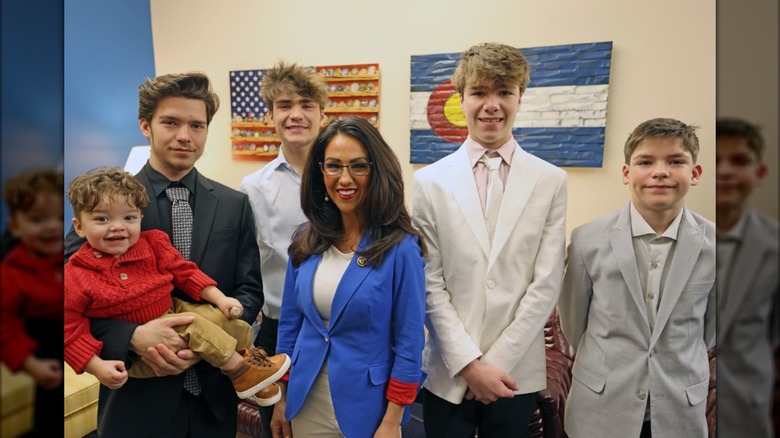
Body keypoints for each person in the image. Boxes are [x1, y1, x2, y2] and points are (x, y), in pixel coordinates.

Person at [63, 72, 263, 438]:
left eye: (196, 125)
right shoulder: (108, 206)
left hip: (214, 400)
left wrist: (211, 340)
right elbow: (64, 297)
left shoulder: (235, 204)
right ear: (145, 126)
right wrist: (132, 336)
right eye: (170, 122)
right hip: (137, 398)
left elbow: (249, 289)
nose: (184, 136)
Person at [411, 42, 568, 437]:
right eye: (479, 92)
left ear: (520, 98)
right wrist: (468, 365)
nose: (491, 105)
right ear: (461, 99)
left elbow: (546, 281)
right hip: (449, 369)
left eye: (504, 93)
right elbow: (429, 281)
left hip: (514, 372)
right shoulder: (429, 182)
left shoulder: (550, 180)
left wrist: (494, 365)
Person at [64, 167, 289, 400]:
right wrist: (96, 366)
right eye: (102, 218)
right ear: (79, 226)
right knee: (196, 327)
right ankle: (240, 372)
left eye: (128, 217)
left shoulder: (152, 242)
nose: (118, 226)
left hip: (174, 307)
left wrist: (221, 299)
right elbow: (68, 329)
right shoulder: (75, 275)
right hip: (144, 359)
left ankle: (252, 365)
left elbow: (185, 272)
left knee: (222, 320)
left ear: (141, 217)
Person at [559, 118, 715, 438]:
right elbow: (573, 324)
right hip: (600, 408)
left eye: (676, 161)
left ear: (694, 173)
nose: (660, 171)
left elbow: (712, 329)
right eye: (646, 161)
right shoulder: (587, 240)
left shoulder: (720, 248)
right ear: (627, 173)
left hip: (678, 410)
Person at [276, 116, 427, 437]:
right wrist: (281, 396)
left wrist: (392, 420)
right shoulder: (305, 240)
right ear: (321, 172)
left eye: (358, 166)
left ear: (377, 171)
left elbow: (410, 342)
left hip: (369, 408)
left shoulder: (401, 248)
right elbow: (290, 326)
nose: (345, 178)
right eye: (333, 166)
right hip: (305, 400)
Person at [238, 60, 328, 436]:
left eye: (307, 104)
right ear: (270, 115)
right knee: (281, 427)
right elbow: (248, 263)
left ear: (323, 114)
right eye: (285, 105)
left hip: (344, 324)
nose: (296, 115)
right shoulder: (254, 187)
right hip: (281, 327)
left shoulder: (347, 174)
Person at [715, 117, 779, 438]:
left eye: (739, 161)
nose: (725, 171)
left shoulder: (774, 248)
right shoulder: (679, 238)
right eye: (715, 160)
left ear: (760, 173)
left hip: (744, 410)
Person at [0, 168, 64, 437]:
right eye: (37, 219)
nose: (52, 226)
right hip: (45, 349)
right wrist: (30, 365)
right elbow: (5, 329)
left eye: (60, 217)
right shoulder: (11, 274)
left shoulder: (71, 253)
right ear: (15, 226)